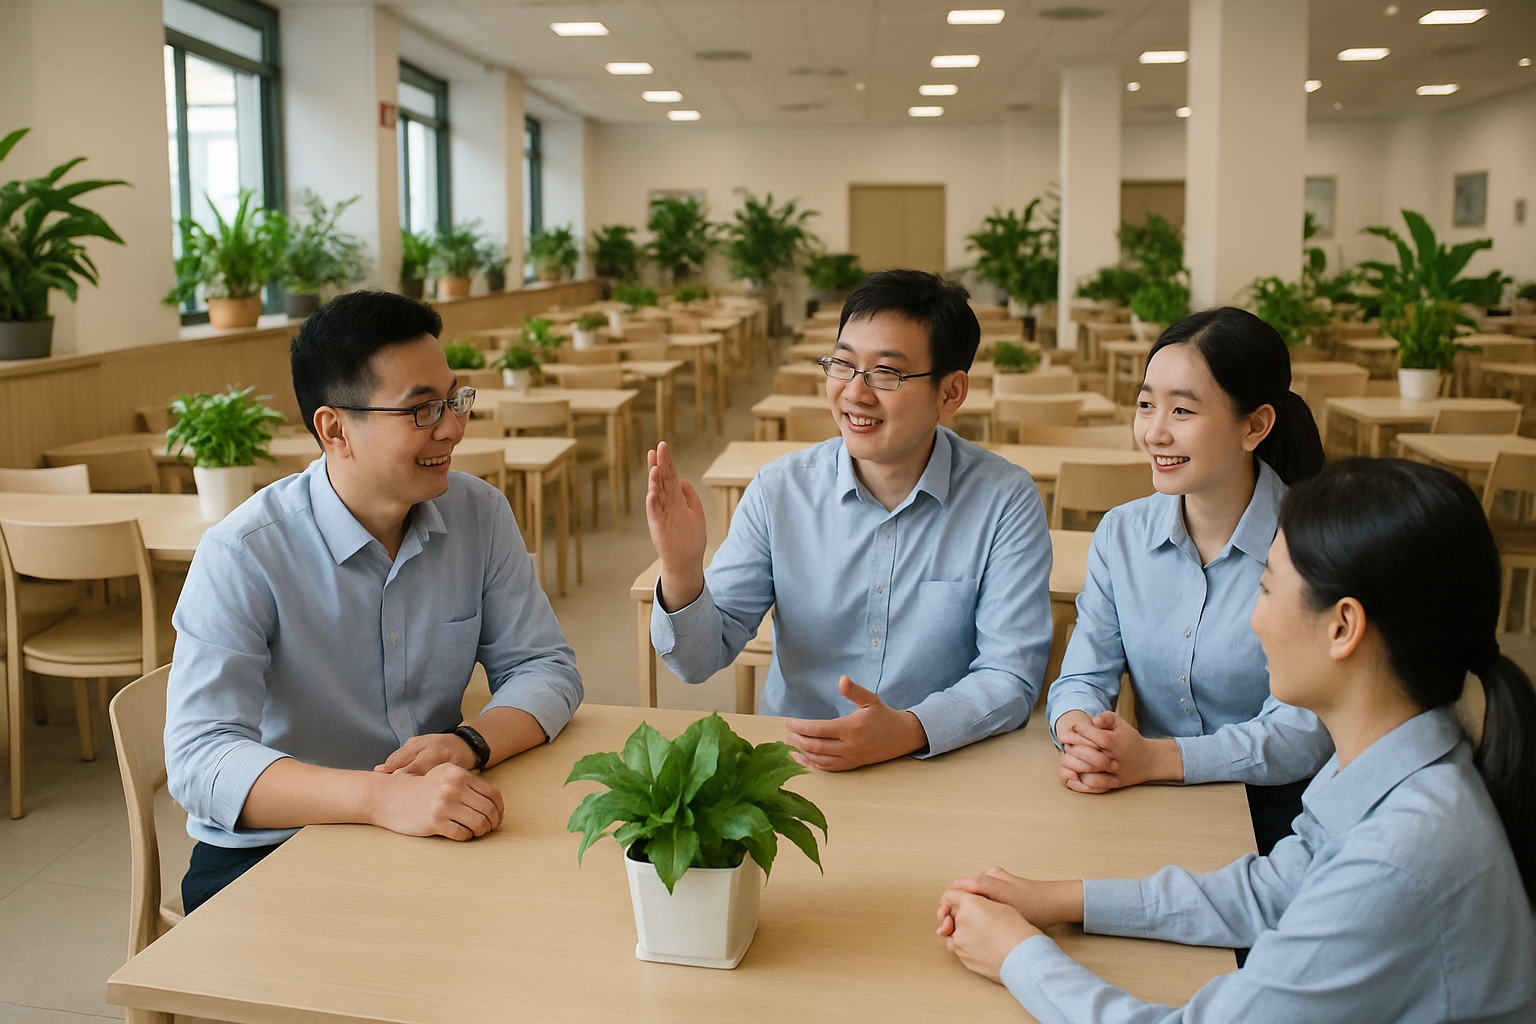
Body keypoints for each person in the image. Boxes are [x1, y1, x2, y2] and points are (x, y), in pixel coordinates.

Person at [937, 458, 1536, 1023]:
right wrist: (1061, 901)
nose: (1252, 618)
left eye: (1267, 588)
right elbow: (1274, 890)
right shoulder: (1390, 758)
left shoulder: (1401, 853)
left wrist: (1017, 955)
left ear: (1343, 626)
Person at [165, 290, 582, 912]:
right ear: (335, 428)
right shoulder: (244, 554)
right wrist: (379, 798)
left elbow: (545, 667)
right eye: (421, 411)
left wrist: (471, 741)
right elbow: (201, 759)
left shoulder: (480, 514)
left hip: (428, 821)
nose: (453, 428)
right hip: (274, 848)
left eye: (453, 400)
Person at [645, 269, 1053, 770]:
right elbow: (697, 660)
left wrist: (909, 729)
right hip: (799, 766)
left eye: (887, 374)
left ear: (951, 392)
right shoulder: (780, 490)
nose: (856, 393)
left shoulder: (1005, 500)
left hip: (943, 765)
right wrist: (683, 569)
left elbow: (1010, 675)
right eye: (842, 365)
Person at [1046, 307, 1333, 853]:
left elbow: (1302, 734)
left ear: (1255, 425)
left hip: (1280, 817)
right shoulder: (1122, 534)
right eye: (1146, 404)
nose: (1155, 432)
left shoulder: (1314, 541)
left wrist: (1157, 758)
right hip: (1149, 795)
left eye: (1182, 410)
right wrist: (1080, 732)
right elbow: (1083, 674)